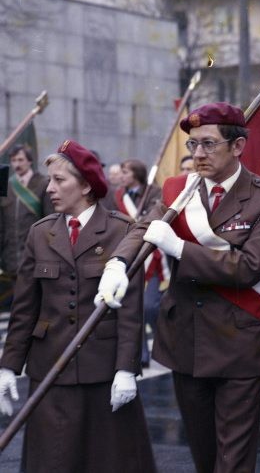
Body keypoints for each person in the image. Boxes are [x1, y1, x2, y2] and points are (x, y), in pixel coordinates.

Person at [95, 102, 260, 473]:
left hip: (238, 341)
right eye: (193, 145)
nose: (198, 154)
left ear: (237, 146)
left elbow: (248, 267)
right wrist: (118, 263)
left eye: (209, 144)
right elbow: (142, 228)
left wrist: (179, 247)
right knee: (202, 451)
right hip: (185, 336)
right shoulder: (176, 188)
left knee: (233, 458)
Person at [0, 140, 156, 473]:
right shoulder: (40, 234)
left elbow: (130, 311)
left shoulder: (120, 231)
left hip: (103, 373)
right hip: (50, 370)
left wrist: (127, 370)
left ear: (86, 185)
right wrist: (8, 366)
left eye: (60, 180)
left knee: (108, 461)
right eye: (50, 180)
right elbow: (24, 309)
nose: (51, 188)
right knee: (52, 461)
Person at [116, 158, 165, 367]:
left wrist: (142, 218)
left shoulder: (154, 192)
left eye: (125, 171)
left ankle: (163, 342)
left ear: (136, 173)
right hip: (128, 254)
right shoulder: (117, 196)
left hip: (151, 256)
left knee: (150, 306)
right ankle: (142, 354)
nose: (122, 176)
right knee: (132, 308)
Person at [0, 145, 53, 305]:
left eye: (21, 159)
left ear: (29, 161)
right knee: (18, 302)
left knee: (37, 299)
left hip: (36, 250)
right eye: (13, 160)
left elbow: (50, 219)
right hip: (11, 253)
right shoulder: (7, 185)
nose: (17, 164)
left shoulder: (43, 183)